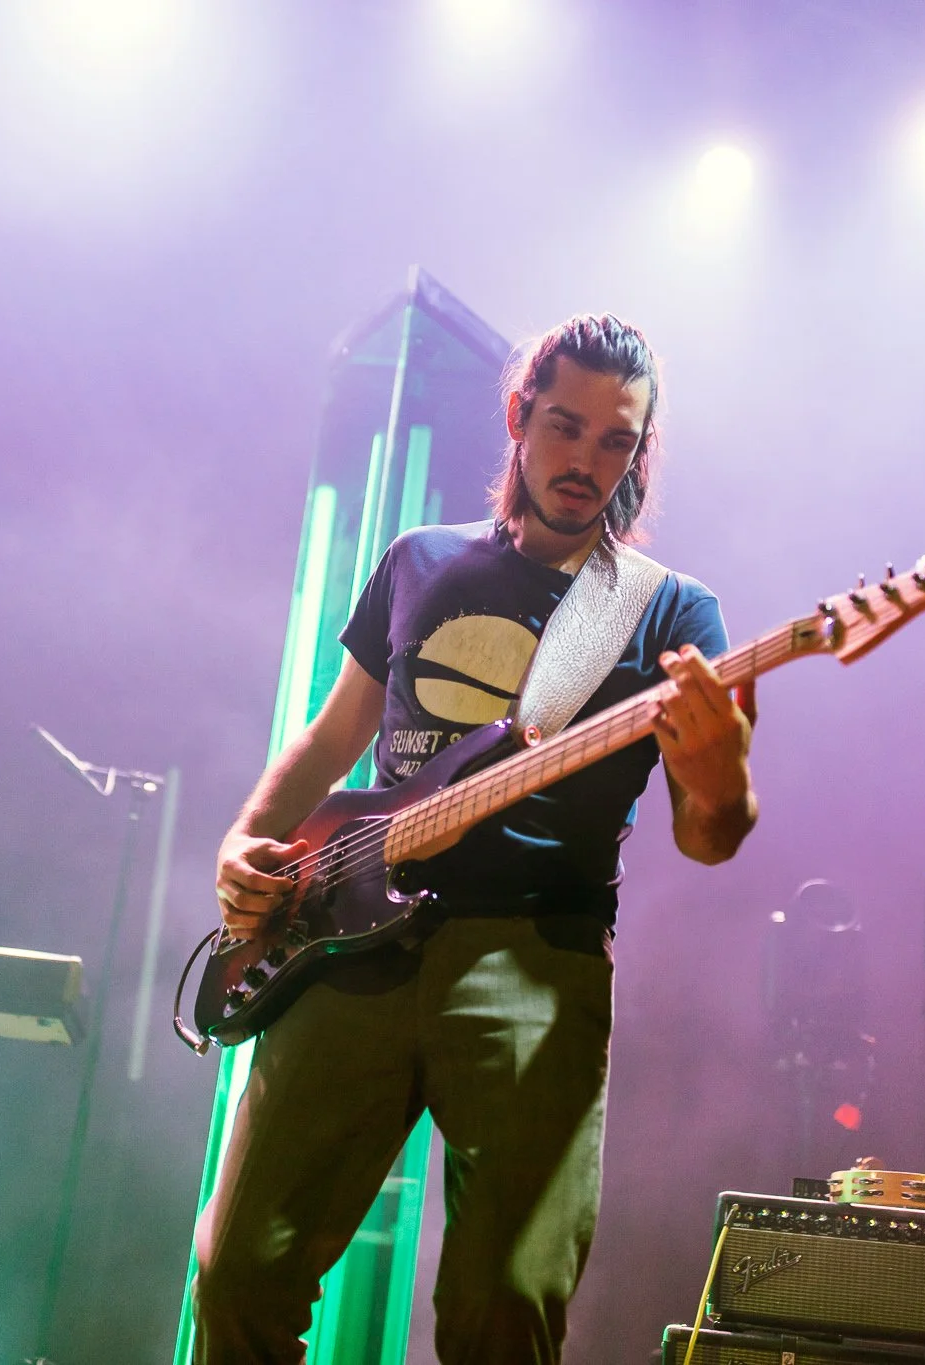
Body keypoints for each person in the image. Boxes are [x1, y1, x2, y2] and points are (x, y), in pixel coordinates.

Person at [193, 314, 757, 1363]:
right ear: (517, 416)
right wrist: (244, 842)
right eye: (564, 426)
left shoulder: (669, 612)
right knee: (238, 1276)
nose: (585, 461)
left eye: (615, 441)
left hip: (533, 961)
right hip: (346, 937)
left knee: (505, 1307)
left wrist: (722, 774)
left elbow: (708, 837)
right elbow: (332, 737)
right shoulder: (419, 559)